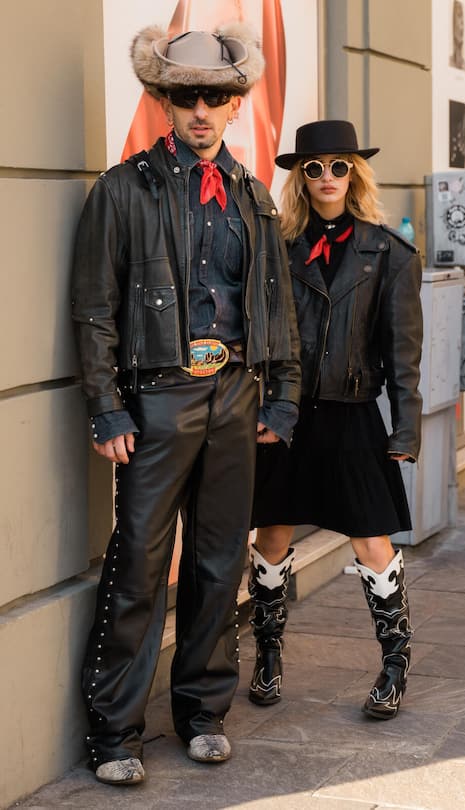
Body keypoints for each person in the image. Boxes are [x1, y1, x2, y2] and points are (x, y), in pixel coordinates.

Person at [71, 22, 300, 785]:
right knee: (138, 560)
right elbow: (95, 308)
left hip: (235, 394)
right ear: (164, 103)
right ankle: (113, 733)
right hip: (158, 398)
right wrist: (106, 408)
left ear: (236, 105)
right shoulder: (121, 188)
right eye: (184, 96)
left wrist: (282, 398)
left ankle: (202, 714)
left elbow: (277, 303)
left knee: (217, 559)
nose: (201, 110)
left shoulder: (255, 198)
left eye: (216, 96)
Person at [247, 120, 423, 721]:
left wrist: (406, 428)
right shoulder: (276, 248)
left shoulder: (389, 254)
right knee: (272, 534)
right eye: (313, 168)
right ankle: (267, 656)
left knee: (372, 542)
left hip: (352, 417)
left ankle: (395, 664)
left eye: (338, 166)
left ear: (355, 173)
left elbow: (403, 354)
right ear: (300, 178)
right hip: (287, 416)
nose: (326, 177)